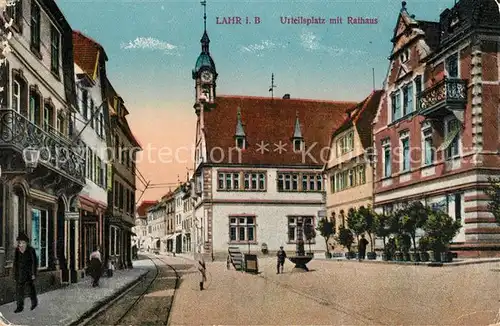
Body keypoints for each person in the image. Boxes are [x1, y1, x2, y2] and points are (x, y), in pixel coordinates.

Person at [13, 233, 38, 313]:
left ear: (26, 243)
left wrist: (33, 273)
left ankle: (34, 302)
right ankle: (19, 307)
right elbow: (15, 263)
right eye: (20, 242)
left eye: (23, 242)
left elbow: (34, 262)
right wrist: (15, 274)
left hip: (29, 273)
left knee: (31, 289)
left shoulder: (31, 250)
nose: (21, 244)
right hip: (20, 273)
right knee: (19, 290)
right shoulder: (17, 250)